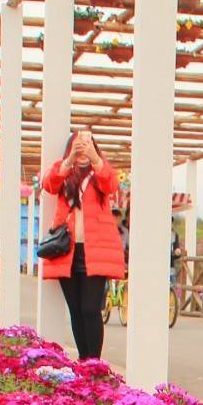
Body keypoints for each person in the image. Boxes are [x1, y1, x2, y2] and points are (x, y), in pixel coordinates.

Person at [40, 129, 125, 359]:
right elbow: (48, 184)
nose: (84, 147)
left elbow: (111, 184)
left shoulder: (100, 170)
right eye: (79, 143)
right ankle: (83, 359)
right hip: (67, 250)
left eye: (88, 143)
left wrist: (96, 159)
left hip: (95, 251)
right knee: (76, 309)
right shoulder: (63, 169)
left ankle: (94, 361)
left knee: (91, 308)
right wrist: (68, 161)